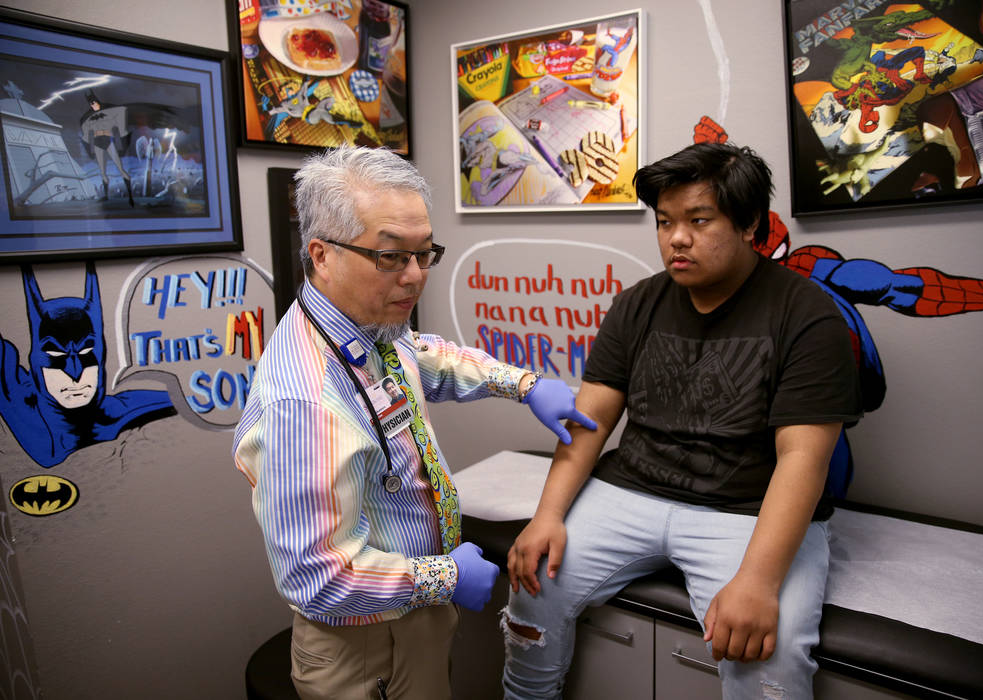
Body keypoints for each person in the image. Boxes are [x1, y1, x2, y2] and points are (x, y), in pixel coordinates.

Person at [232, 145, 595, 700]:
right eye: (391, 257)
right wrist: (445, 577)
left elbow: (423, 356)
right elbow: (318, 580)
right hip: (366, 651)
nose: (414, 276)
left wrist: (520, 384)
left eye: (425, 254)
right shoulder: (304, 402)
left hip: (413, 620)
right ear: (321, 255)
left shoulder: (367, 325)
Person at [501, 142, 862, 699]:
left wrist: (758, 583)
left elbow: (804, 458)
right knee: (532, 586)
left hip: (744, 506)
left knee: (773, 649)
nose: (677, 239)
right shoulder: (637, 303)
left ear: (750, 226)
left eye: (698, 220)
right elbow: (588, 419)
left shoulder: (808, 315)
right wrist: (546, 515)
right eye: (665, 222)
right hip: (633, 489)